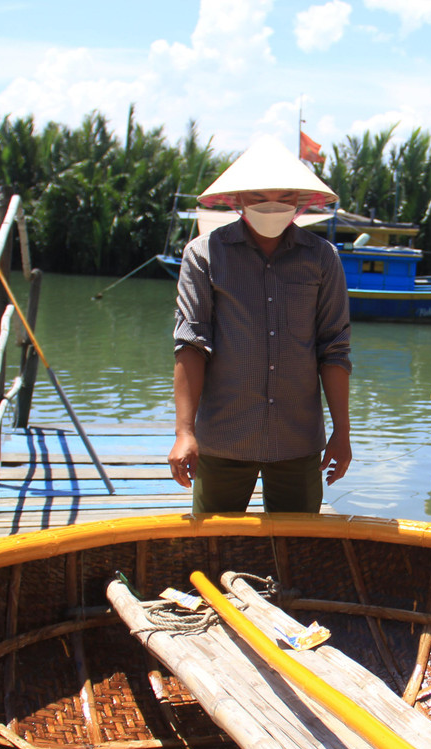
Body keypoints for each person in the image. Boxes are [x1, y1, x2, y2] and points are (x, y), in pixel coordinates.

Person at [168, 136, 352, 514]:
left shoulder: (322, 258)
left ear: (299, 203)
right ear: (239, 200)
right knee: (216, 544)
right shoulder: (203, 255)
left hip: (297, 440)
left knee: (298, 551)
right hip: (223, 437)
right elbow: (191, 344)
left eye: (284, 197)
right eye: (260, 197)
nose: (273, 207)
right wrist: (185, 432)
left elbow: (334, 348)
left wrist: (342, 433)